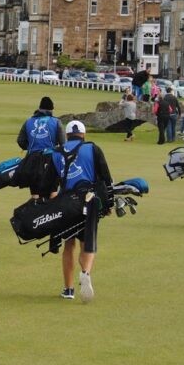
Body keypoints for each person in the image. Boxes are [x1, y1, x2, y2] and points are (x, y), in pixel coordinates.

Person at [50, 120, 113, 303]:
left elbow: (50, 184)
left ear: (67, 135)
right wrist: (108, 205)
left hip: (66, 202)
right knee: (88, 243)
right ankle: (85, 272)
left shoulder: (56, 152)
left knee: (69, 244)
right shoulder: (93, 149)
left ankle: (68, 290)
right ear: (84, 135)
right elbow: (106, 179)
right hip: (89, 202)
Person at [16, 96, 65, 197]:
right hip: (51, 159)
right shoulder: (56, 122)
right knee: (53, 190)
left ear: (39, 108)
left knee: (35, 192)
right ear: (51, 109)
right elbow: (63, 143)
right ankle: (53, 211)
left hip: (32, 158)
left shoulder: (28, 121)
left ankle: (35, 209)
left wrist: (30, 146)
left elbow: (20, 141)